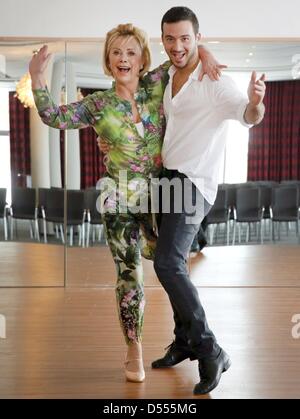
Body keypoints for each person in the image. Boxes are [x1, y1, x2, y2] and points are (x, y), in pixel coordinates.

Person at [29, 24, 223, 384]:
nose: (123, 58)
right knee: (129, 276)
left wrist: (207, 54)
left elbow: (186, 56)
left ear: (142, 59)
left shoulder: (156, 85)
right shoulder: (99, 105)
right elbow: (52, 116)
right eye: (116, 52)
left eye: (131, 52)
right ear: (108, 60)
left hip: (161, 198)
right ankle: (133, 346)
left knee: (170, 268)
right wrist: (38, 78)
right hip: (117, 201)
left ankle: (190, 340)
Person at [149, 6, 266, 396]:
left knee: (168, 262)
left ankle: (209, 348)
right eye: (170, 38)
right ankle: (184, 339)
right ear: (163, 39)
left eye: (185, 38)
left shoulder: (216, 81)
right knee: (169, 264)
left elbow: (247, 115)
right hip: (167, 179)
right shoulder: (168, 75)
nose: (177, 46)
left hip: (194, 183)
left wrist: (256, 101)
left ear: (198, 37)